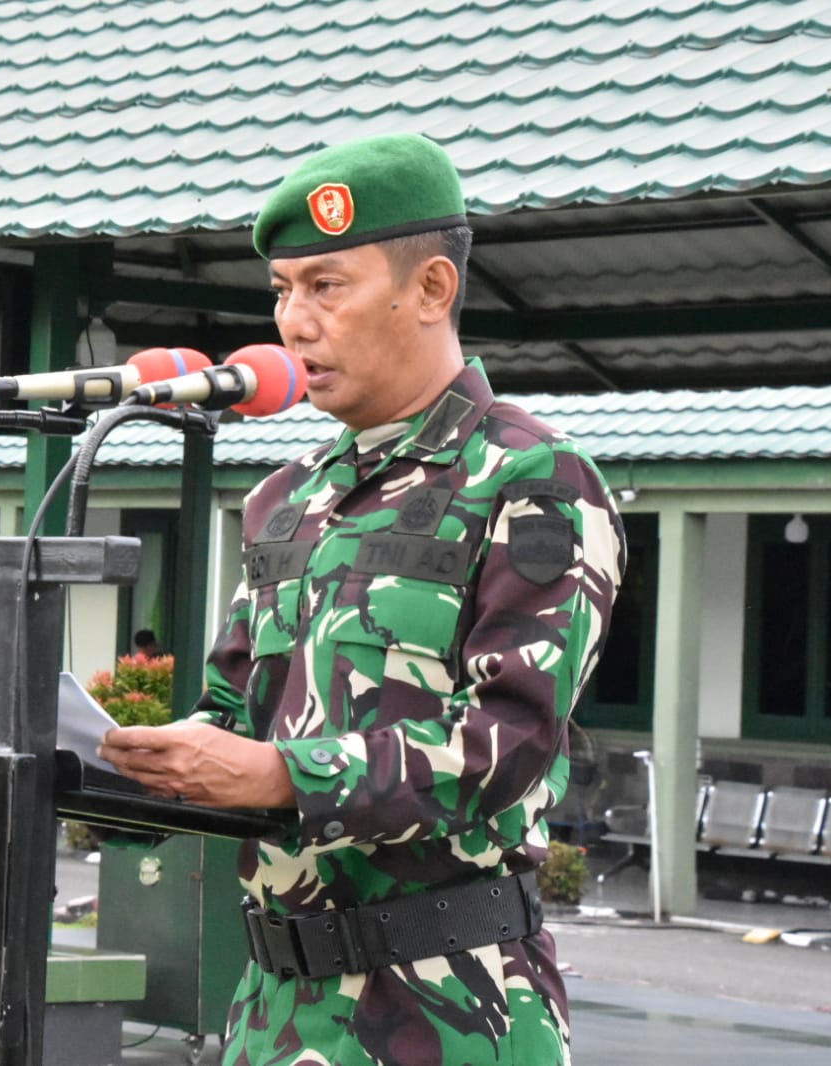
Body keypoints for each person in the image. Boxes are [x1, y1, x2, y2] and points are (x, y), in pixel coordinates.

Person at [97, 132, 626, 1065]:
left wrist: (281, 776)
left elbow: (508, 741)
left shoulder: (530, 477)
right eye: (281, 290)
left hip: (448, 1009)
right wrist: (105, 768)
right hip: (270, 1014)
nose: (291, 322)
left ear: (428, 289)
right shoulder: (284, 498)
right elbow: (232, 715)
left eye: (325, 286)